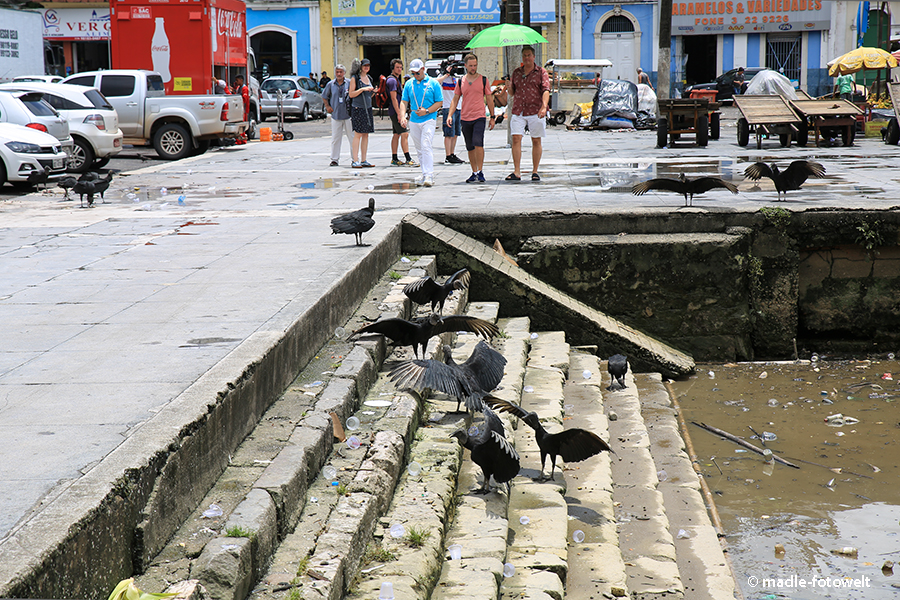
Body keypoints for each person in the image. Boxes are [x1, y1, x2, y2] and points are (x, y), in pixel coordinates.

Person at [447, 54, 495, 183]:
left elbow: (489, 99)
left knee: (478, 142)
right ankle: (474, 172)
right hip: (465, 117)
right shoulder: (460, 81)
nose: (473, 68)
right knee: (470, 146)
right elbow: (455, 99)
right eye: (471, 65)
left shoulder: (483, 80)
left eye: (475, 65)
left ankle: (480, 171)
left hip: (479, 116)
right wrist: (450, 115)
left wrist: (492, 116)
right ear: (466, 66)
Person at [508, 46, 550, 182]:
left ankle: (535, 171)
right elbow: (512, 92)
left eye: (528, 55)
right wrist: (508, 86)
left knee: (536, 140)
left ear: (533, 57)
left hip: (535, 110)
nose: (526, 58)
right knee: (516, 138)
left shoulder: (541, 72)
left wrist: (544, 107)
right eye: (524, 55)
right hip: (519, 110)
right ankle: (517, 171)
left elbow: (545, 90)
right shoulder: (517, 72)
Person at [399, 58, 442, 187]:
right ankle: (424, 173)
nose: (415, 75)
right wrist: (402, 116)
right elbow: (404, 101)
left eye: (417, 73)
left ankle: (429, 174)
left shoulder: (433, 83)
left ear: (423, 69)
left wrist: (427, 111)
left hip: (429, 118)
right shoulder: (409, 84)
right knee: (419, 148)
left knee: (426, 144)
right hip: (414, 120)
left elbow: (439, 102)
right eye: (413, 73)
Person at [386, 58, 416, 167]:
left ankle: (394, 158)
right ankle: (408, 158)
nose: (399, 69)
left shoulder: (395, 79)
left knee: (396, 134)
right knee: (404, 133)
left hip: (395, 111)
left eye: (400, 67)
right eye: (397, 67)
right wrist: (400, 114)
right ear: (392, 68)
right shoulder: (392, 81)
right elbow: (394, 99)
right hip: (396, 111)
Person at [322, 64, 353, 167]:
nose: (339, 74)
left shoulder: (349, 83)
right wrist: (327, 106)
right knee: (335, 138)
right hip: (336, 115)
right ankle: (334, 159)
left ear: (344, 73)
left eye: (341, 72)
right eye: (337, 72)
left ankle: (354, 158)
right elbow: (324, 96)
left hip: (349, 115)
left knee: (352, 138)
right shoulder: (331, 84)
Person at [348, 58, 375, 168]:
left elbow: (369, 95)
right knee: (358, 134)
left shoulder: (369, 78)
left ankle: (364, 159)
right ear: (360, 67)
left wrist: (373, 91)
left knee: (366, 134)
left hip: (367, 108)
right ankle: (355, 159)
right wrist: (363, 90)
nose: (366, 67)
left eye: (368, 65)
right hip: (358, 108)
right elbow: (351, 94)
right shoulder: (355, 78)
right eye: (364, 65)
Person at [437, 62, 464, 164]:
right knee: (448, 133)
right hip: (448, 108)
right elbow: (436, 82)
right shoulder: (442, 77)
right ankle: (448, 156)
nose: (455, 69)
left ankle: (452, 154)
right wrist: (446, 74)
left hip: (458, 107)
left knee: (455, 133)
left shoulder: (456, 78)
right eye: (453, 67)